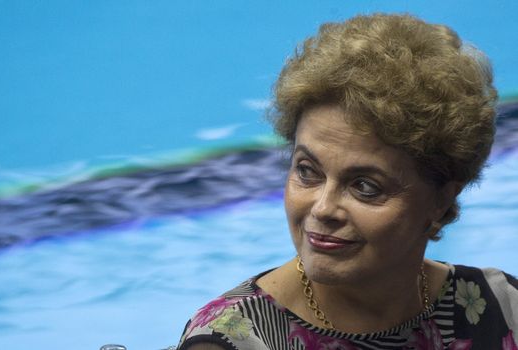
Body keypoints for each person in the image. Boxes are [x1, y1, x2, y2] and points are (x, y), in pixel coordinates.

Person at [177, 13, 518, 350]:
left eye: (365, 186)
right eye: (307, 171)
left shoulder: (503, 307)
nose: (324, 208)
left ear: (441, 199)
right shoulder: (233, 339)